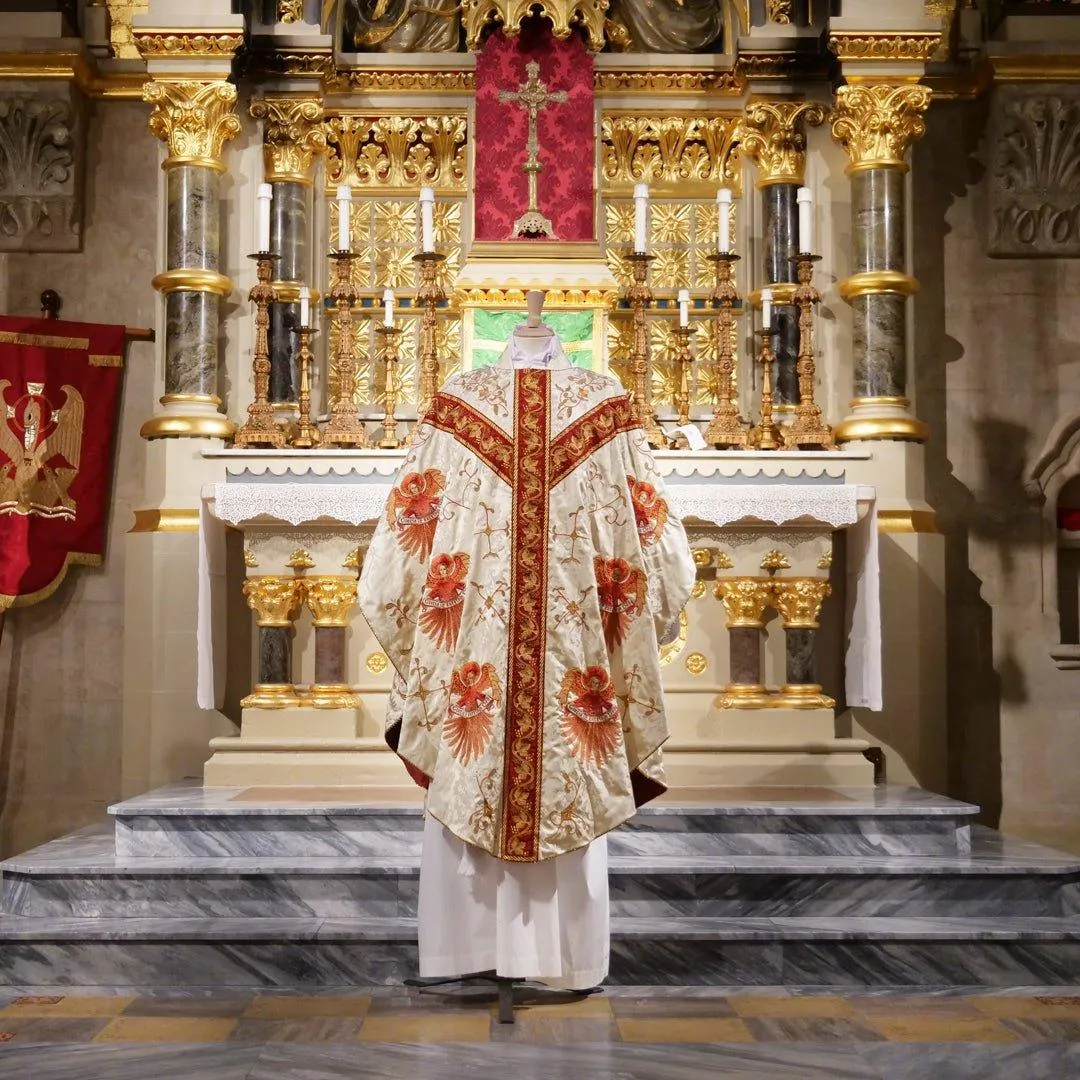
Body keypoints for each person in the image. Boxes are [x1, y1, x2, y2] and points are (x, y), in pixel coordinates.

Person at [358, 290, 695, 989]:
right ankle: (557, 959)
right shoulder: (601, 407)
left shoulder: (462, 407)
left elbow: (403, 544)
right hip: (568, 648)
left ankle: (476, 949)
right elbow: (656, 544)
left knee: (477, 753)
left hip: (475, 645)